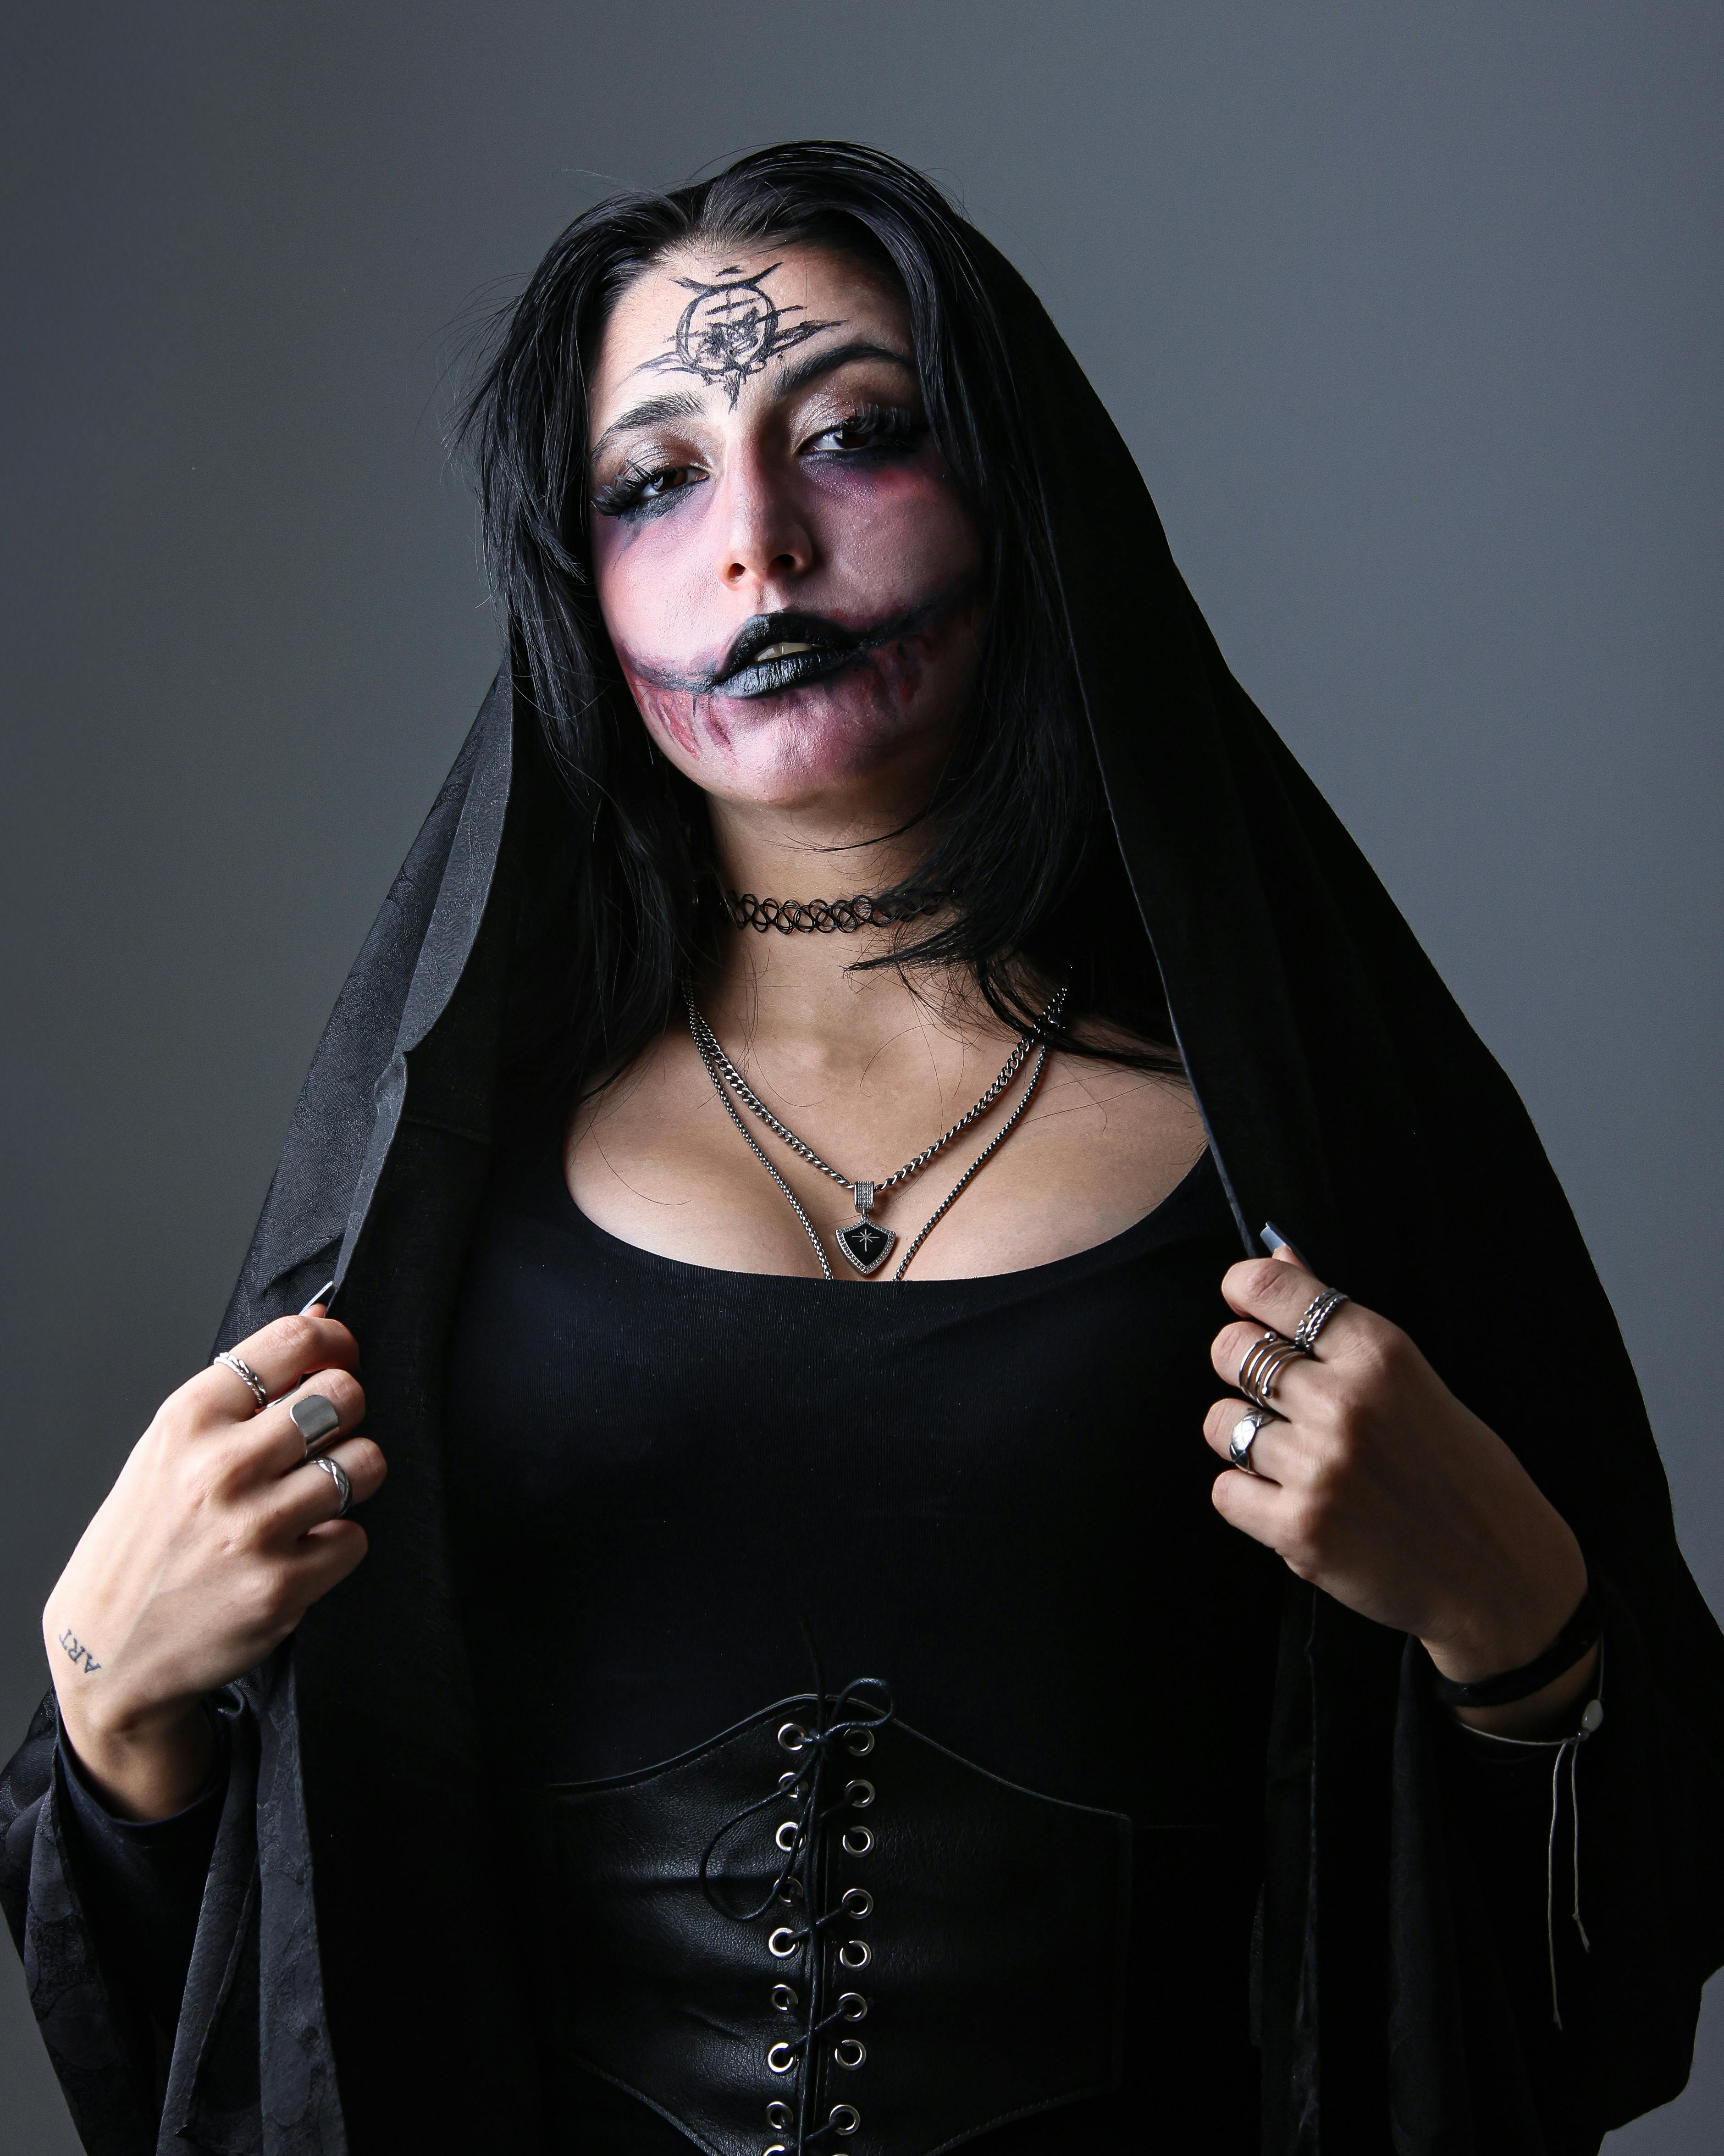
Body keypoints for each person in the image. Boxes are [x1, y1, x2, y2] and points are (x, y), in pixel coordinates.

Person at [4, 141, 1721, 2156]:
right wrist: (110, 1704)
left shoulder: (1310, 1157)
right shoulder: (432, 1200)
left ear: (1013, 491)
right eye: (651, 483)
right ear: (575, 588)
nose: (757, 545)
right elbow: (258, 2005)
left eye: (853, 438)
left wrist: (1527, 1641)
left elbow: (1618, 1949)